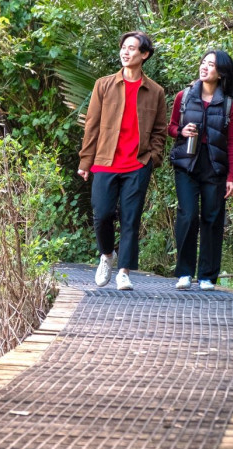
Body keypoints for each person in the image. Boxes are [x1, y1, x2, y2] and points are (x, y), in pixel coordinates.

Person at [78, 31, 167, 291]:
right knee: (102, 215)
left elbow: (160, 131)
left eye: (132, 48)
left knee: (131, 218)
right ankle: (107, 255)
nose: (125, 52)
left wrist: (152, 159)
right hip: (105, 162)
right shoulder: (103, 85)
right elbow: (91, 126)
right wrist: (85, 162)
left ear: (144, 55)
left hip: (137, 165)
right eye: (123, 48)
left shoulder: (155, 92)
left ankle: (125, 272)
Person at [168, 50, 233, 291]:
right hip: (187, 163)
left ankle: (208, 276)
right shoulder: (185, 96)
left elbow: (232, 141)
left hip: (215, 167)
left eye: (211, 65)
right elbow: (170, 127)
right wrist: (181, 132)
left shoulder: (229, 103)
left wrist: (231, 177)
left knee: (212, 218)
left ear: (221, 73)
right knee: (187, 215)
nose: (205, 67)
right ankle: (184, 273)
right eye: (203, 63)